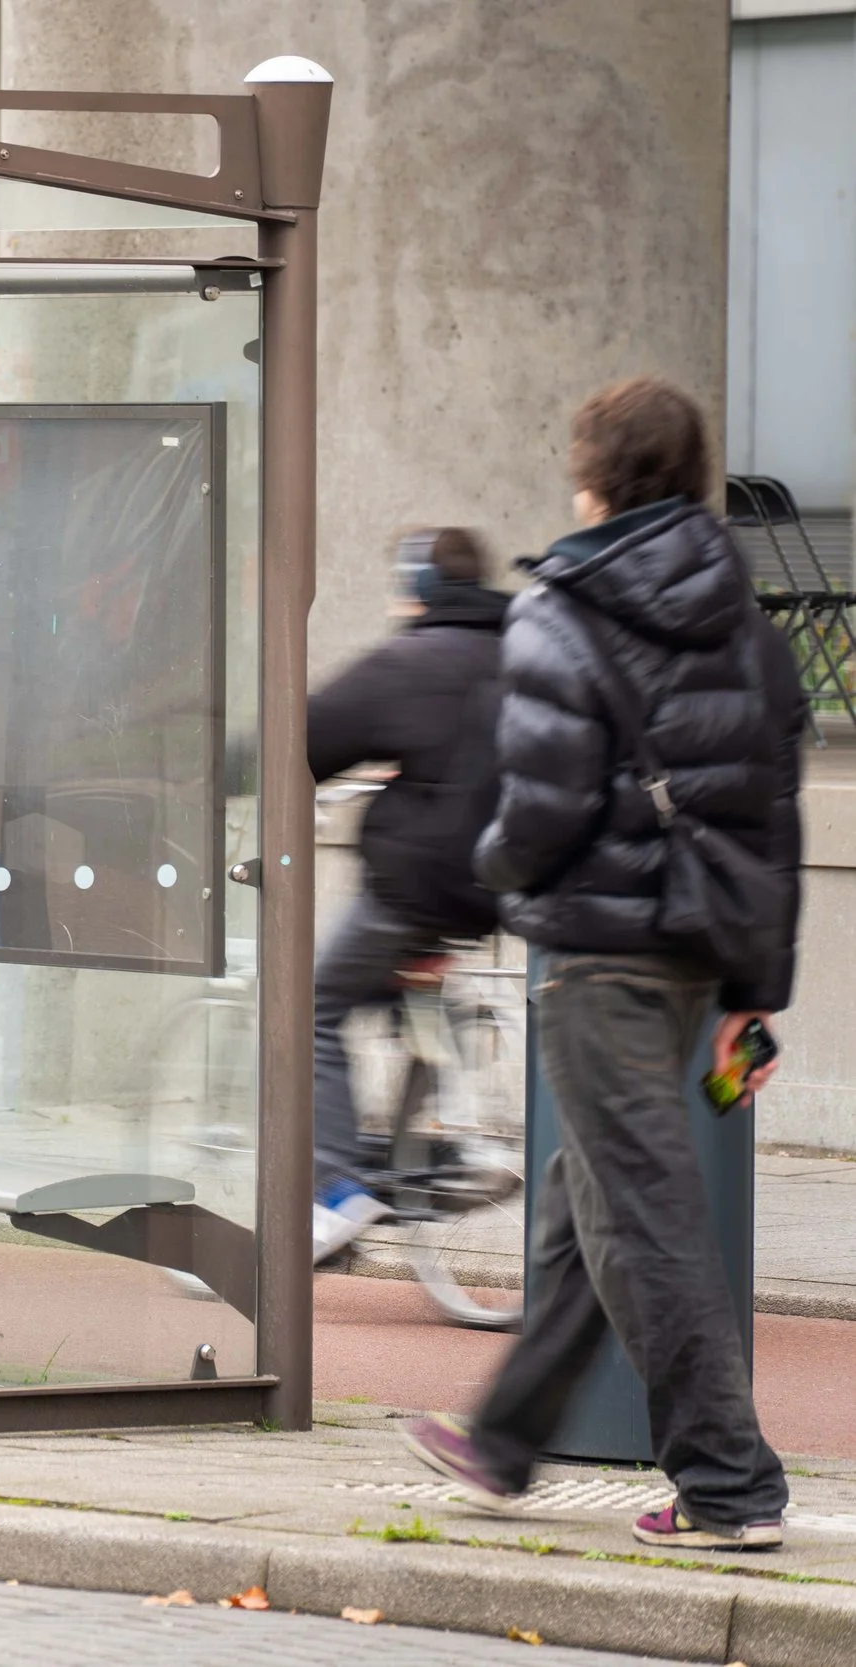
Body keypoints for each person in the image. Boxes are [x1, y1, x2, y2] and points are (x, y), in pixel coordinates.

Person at [401, 377, 805, 1553]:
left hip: (595, 953)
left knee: (641, 1212)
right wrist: (753, 993)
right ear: (691, 480)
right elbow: (774, 822)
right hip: (692, 954)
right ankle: (508, 1439)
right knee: (593, 1200)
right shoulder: (745, 616)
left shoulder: (560, 610)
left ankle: (728, 1484)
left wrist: (486, 872)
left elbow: (538, 807)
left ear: (592, 479)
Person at [305, 527, 510, 1262]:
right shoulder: (519, 652)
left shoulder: (409, 662)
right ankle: (417, 1148)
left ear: (419, 589)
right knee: (394, 997)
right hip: (488, 891)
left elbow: (307, 736)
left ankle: (334, 1190)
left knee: (311, 1005)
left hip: (412, 889)